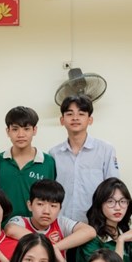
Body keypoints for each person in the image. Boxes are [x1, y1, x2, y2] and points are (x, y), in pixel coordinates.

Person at [5, 179, 96, 262]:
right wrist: (51, 248)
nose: (46, 211)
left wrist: (55, 247)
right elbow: (10, 229)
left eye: (53, 206)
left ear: (60, 208)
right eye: (40, 204)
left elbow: (90, 232)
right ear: (30, 205)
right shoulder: (21, 221)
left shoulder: (61, 223)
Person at [47, 94, 119, 223]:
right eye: (69, 114)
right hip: (62, 222)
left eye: (81, 114)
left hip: (96, 222)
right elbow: (50, 191)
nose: (75, 118)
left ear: (90, 120)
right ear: (62, 120)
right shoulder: (54, 154)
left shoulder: (106, 150)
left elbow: (113, 189)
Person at [0, 106, 56, 221]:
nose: (21, 134)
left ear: (34, 130)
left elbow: (51, 198)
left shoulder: (48, 162)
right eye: (15, 129)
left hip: (36, 228)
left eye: (26, 129)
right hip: (2, 227)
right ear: (8, 131)